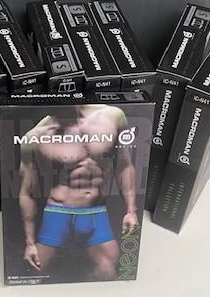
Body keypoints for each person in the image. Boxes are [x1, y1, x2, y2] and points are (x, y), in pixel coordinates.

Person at [18, 104, 138, 280]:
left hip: (95, 212)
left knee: (108, 271)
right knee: (34, 274)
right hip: (58, 214)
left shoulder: (112, 116)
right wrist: (29, 243)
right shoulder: (35, 137)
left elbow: (124, 165)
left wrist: (131, 211)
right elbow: (26, 192)